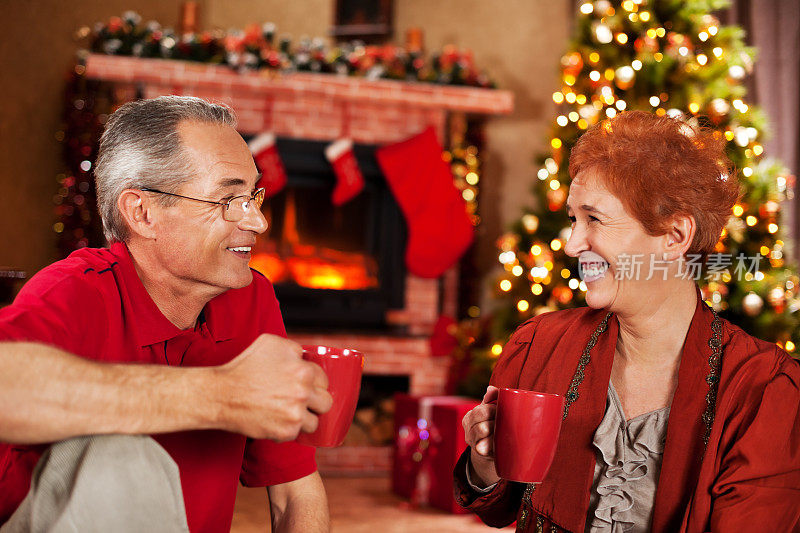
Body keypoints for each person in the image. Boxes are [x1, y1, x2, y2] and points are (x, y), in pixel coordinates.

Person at [0, 96, 334, 532]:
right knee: (117, 456)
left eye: (252, 196)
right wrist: (223, 394)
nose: (257, 222)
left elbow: (294, 492)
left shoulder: (250, 298)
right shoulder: (75, 291)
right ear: (143, 213)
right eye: (228, 199)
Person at [455, 111, 800, 532]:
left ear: (675, 236)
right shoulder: (539, 345)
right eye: (572, 219)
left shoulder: (762, 389)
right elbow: (498, 506)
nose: (571, 244)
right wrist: (484, 462)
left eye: (594, 219)